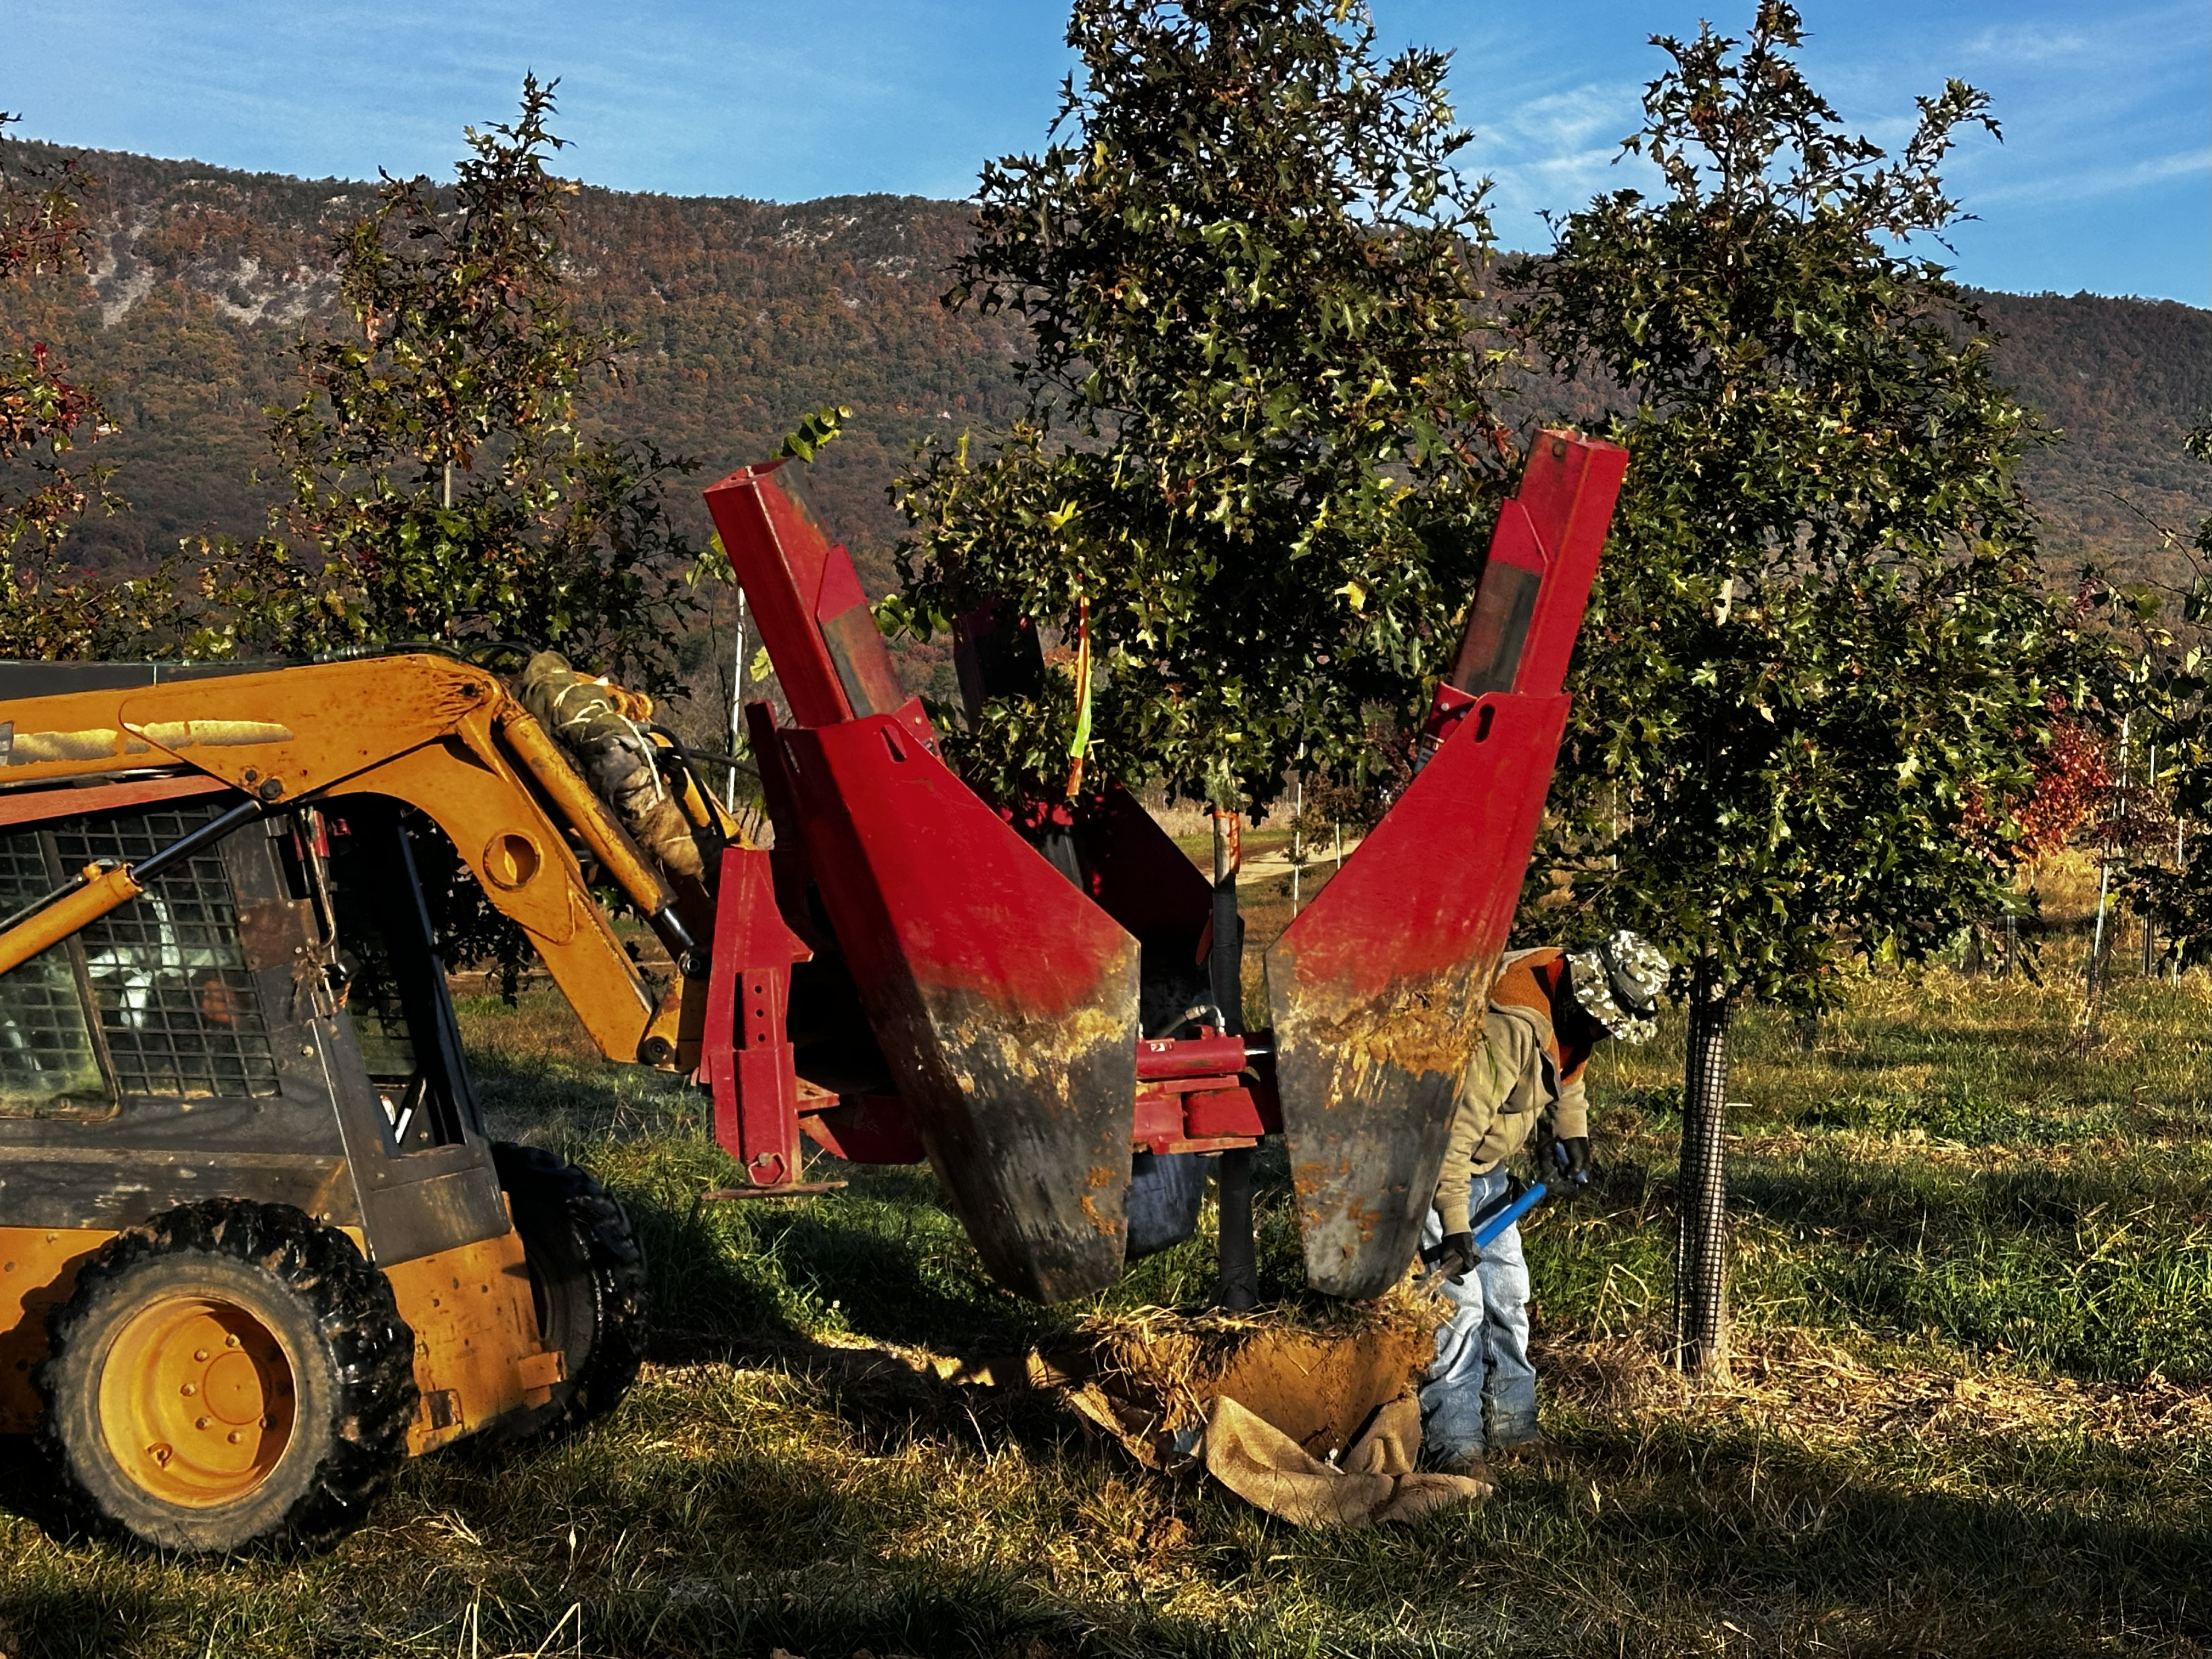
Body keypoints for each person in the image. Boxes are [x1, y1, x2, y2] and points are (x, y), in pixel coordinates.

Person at [1419, 929, 1669, 1481]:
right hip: (1439, 1178)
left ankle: (1514, 1429)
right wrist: (1454, 1226)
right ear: (1583, 991)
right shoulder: (1507, 1025)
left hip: (1489, 1174)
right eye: (1602, 1021)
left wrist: (1571, 1129)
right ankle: (1455, 1446)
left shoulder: (1570, 1006)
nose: (1601, 1033)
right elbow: (1451, 1137)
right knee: (1459, 1312)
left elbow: (1569, 1070)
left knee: (1508, 1298)